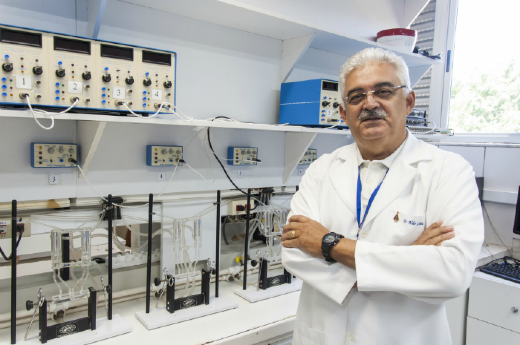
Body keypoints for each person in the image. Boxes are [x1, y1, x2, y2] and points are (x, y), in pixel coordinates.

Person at [281, 48, 484, 345]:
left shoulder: (448, 171)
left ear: (409, 101)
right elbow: (294, 252)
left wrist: (329, 244)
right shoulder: (320, 170)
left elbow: (451, 273)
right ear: (343, 112)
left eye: (384, 91)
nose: (370, 103)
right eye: (356, 96)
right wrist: (410, 258)